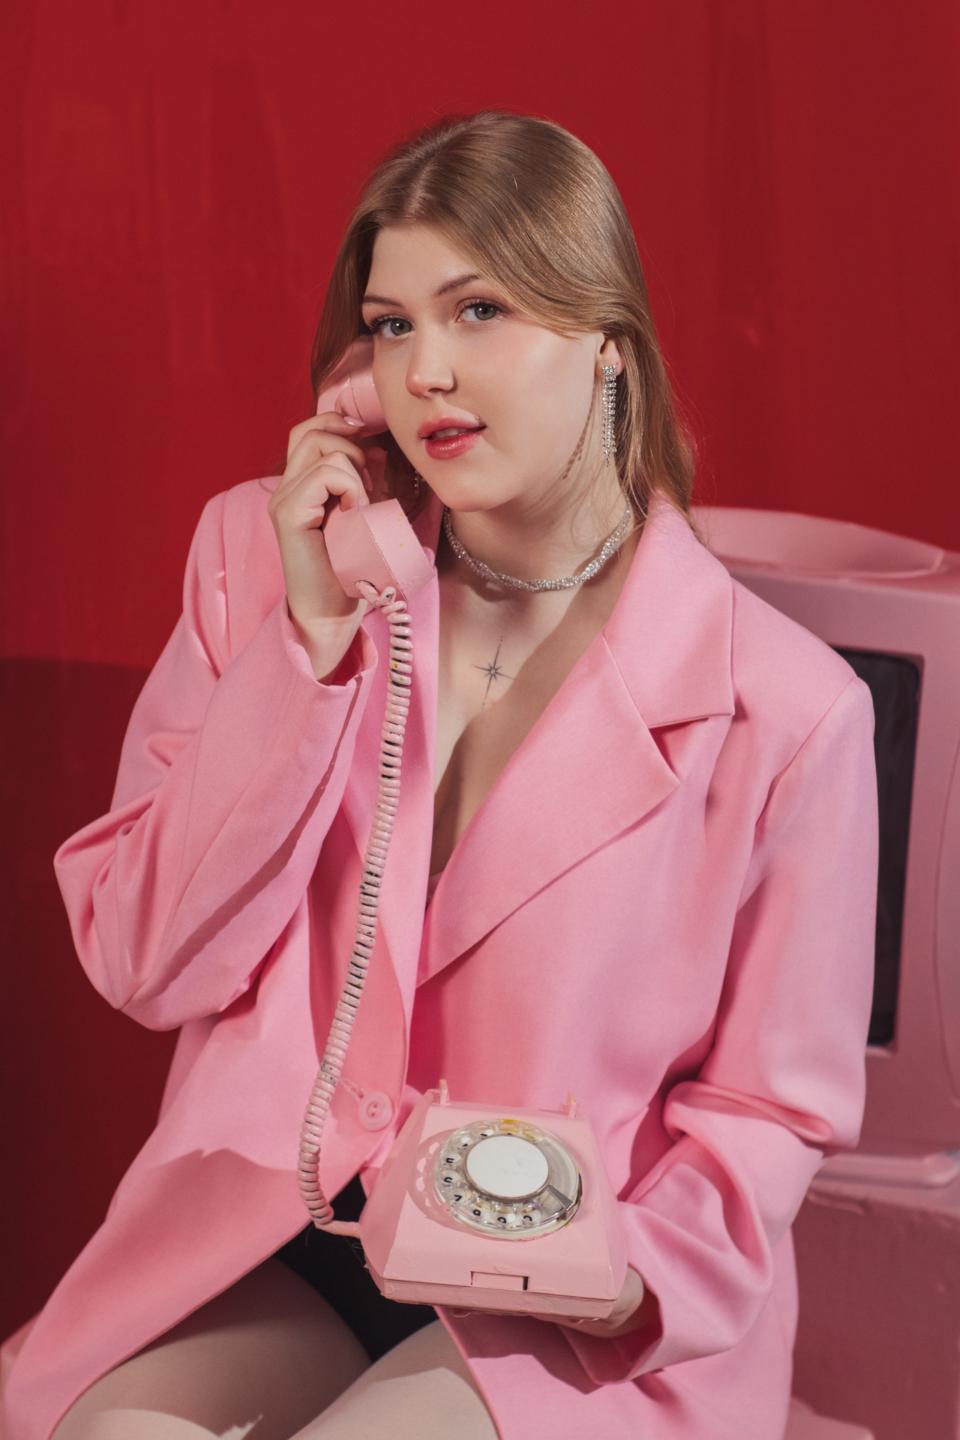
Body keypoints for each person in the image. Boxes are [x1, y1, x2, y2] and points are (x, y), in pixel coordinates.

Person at [0, 109, 879, 1440]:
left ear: (607, 341)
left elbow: (769, 1109)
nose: (425, 372)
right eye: (392, 324)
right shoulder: (266, 566)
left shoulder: (791, 710)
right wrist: (305, 649)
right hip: (277, 1237)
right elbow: (143, 962)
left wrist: (617, 1276)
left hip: (566, 1302)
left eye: (478, 311)